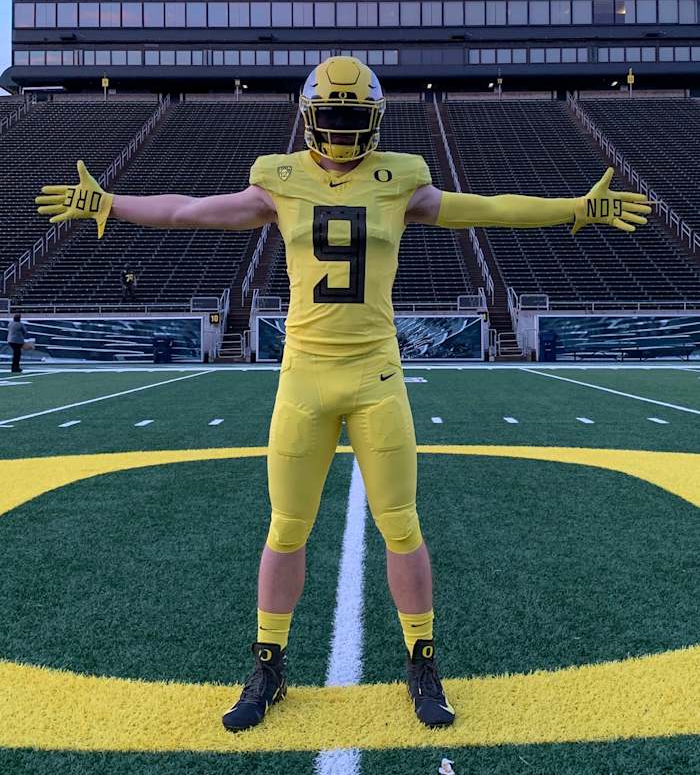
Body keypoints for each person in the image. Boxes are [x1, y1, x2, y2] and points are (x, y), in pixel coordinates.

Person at [35, 57, 651, 731]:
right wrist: (110, 202)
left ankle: (421, 657)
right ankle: (268, 662)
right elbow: (189, 212)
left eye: (352, 117)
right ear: (308, 117)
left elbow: (489, 208)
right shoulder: (278, 178)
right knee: (286, 529)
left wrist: (576, 208)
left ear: (375, 121)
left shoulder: (401, 179)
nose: (339, 129)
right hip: (303, 377)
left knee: (401, 526)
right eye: (330, 116)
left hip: (375, 376)